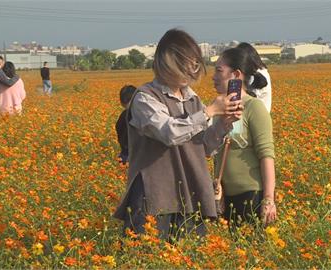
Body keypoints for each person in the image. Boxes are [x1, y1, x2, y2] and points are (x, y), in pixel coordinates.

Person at [113, 29, 242, 241]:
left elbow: (204, 148)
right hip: (154, 195)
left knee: (189, 256)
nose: (191, 71)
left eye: (194, 64)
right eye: (186, 64)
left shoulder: (192, 99)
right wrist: (209, 112)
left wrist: (223, 124)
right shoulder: (145, 98)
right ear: (168, 63)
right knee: (146, 255)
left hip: (190, 193)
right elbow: (168, 132)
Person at [212, 47, 276, 226]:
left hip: (252, 196)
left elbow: (266, 155)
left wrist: (269, 199)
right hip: (225, 198)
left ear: (236, 75)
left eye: (219, 71)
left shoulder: (254, 107)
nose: (213, 77)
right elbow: (216, 154)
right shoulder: (219, 108)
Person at [236, 42, 272, 113]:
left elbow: (251, 99)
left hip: (256, 116)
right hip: (261, 115)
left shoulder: (256, 75)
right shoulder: (263, 71)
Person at [115, 85, 136, 164]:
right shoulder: (139, 114)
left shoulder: (122, 116)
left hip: (124, 154)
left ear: (121, 102)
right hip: (137, 156)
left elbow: (118, 129)